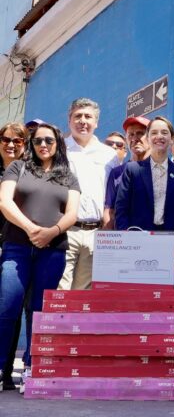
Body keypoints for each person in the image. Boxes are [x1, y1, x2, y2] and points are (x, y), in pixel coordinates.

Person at [0, 123, 80, 390]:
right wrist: (32, 229)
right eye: (37, 141)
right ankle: (1, 368)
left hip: (53, 250)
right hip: (17, 246)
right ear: (31, 145)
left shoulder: (67, 175)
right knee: (7, 308)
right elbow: (5, 202)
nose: (43, 145)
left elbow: (72, 213)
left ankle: (32, 369)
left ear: (58, 143)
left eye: (49, 140)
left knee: (39, 311)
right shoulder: (17, 168)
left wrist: (52, 232)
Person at [115, 116, 174, 278]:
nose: (159, 136)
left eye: (164, 133)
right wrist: (126, 240)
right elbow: (121, 210)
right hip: (137, 244)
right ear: (148, 138)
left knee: (167, 299)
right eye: (154, 132)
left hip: (172, 247)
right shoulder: (132, 169)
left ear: (171, 139)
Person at [59, 98, 118, 290]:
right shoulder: (59, 150)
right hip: (65, 231)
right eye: (77, 116)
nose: (83, 121)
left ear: (96, 122)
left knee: (83, 293)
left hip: (96, 233)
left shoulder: (109, 154)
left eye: (88, 116)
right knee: (59, 290)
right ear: (69, 121)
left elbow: (114, 193)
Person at [0, 122, 27, 391]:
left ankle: (6, 372)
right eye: (6, 139)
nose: (10, 144)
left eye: (17, 141)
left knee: (11, 309)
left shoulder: (27, 174)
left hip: (15, 247)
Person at [103, 116, 150, 230]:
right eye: (130, 135)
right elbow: (110, 211)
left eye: (140, 133)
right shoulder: (117, 173)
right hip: (125, 241)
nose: (135, 138)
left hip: (156, 239)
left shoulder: (161, 170)